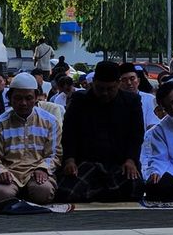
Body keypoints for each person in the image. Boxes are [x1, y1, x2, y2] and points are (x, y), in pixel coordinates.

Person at [56, 61, 145, 202]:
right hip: (86, 162)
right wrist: (70, 160)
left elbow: (136, 135)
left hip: (119, 163)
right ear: (94, 83)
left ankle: (96, 191)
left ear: (118, 84)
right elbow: (69, 133)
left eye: (110, 89)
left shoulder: (131, 101)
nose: (104, 93)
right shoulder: (80, 100)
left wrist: (131, 160)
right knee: (65, 192)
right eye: (100, 88)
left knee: (135, 188)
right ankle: (102, 191)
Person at [0, 72, 61, 204]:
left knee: (42, 192)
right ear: (10, 98)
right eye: (18, 98)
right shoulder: (0, 123)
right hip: (10, 173)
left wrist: (43, 168)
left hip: (37, 171)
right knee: (1, 195)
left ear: (36, 98)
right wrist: (1, 172)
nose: (23, 103)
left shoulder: (50, 121)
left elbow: (54, 154)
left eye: (28, 98)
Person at [119, 63, 158, 132]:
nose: (129, 83)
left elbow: (153, 127)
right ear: (119, 83)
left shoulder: (150, 99)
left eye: (132, 79)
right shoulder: (115, 101)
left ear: (138, 81)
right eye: (124, 80)